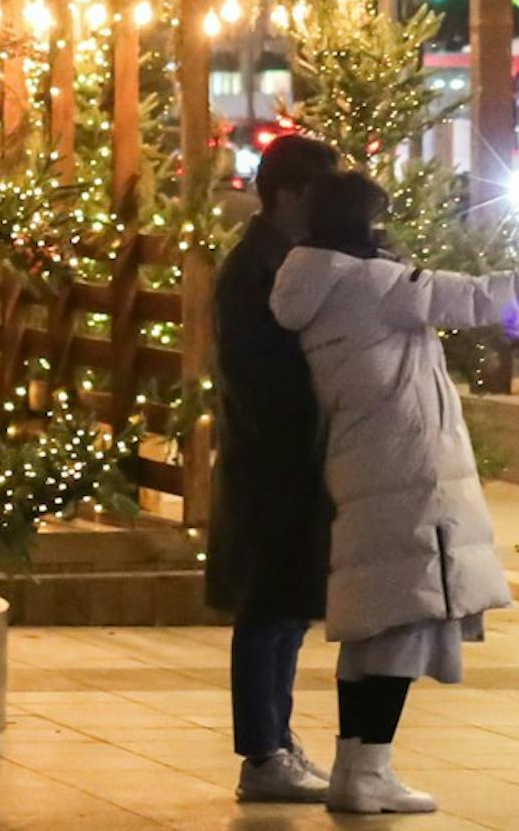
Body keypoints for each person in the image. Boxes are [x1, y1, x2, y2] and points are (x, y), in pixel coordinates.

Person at [273, 169, 519, 815]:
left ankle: (358, 766)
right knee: (406, 617)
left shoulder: (313, 283)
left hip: (363, 462)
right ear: (360, 226)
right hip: (409, 471)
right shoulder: (375, 284)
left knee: (374, 623)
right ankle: (368, 768)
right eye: (379, 222)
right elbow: (487, 298)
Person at [205, 132, 341, 804]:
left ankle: (278, 739)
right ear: (287, 195)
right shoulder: (253, 268)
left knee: (288, 607)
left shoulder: (282, 258)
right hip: (270, 462)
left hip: (290, 458)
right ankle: (260, 751)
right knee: (267, 607)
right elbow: (255, 373)